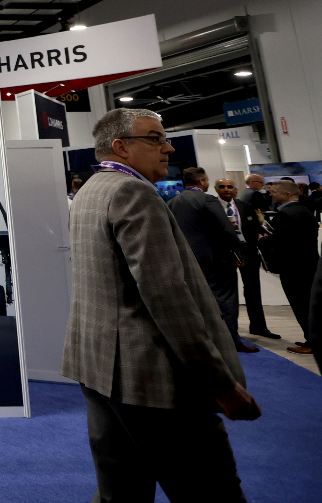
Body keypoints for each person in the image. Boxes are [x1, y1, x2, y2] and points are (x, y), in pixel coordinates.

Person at [64, 108, 260, 502]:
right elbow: (168, 298)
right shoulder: (132, 193)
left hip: (101, 368)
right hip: (152, 379)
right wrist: (221, 384)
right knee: (212, 493)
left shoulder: (91, 190)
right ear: (121, 147)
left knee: (122, 492)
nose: (168, 148)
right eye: (155, 139)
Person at [168, 168, 258, 353]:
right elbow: (226, 229)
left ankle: (206, 340)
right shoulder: (208, 200)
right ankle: (231, 341)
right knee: (226, 299)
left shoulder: (172, 202)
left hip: (187, 260)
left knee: (198, 300)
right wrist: (239, 254)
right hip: (216, 260)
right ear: (202, 181)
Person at [259, 178, 318, 356]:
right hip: (310, 265)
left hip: (294, 269)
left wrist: (263, 240)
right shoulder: (305, 211)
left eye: (274, 192)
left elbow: (280, 240)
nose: (271, 194)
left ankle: (312, 343)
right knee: (309, 306)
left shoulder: (285, 215)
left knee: (301, 306)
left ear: (287, 194)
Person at [214, 178, 279, 340]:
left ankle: (258, 326)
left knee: (253, 291)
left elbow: (256, 229)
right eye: (222, 186)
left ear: (234, 189)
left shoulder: (246, 206)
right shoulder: (211, 207)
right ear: (216, 189)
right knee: (226, 293)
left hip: (248, 253)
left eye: (230, 186)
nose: (226, 189)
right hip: (223, 255)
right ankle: (227, 329)